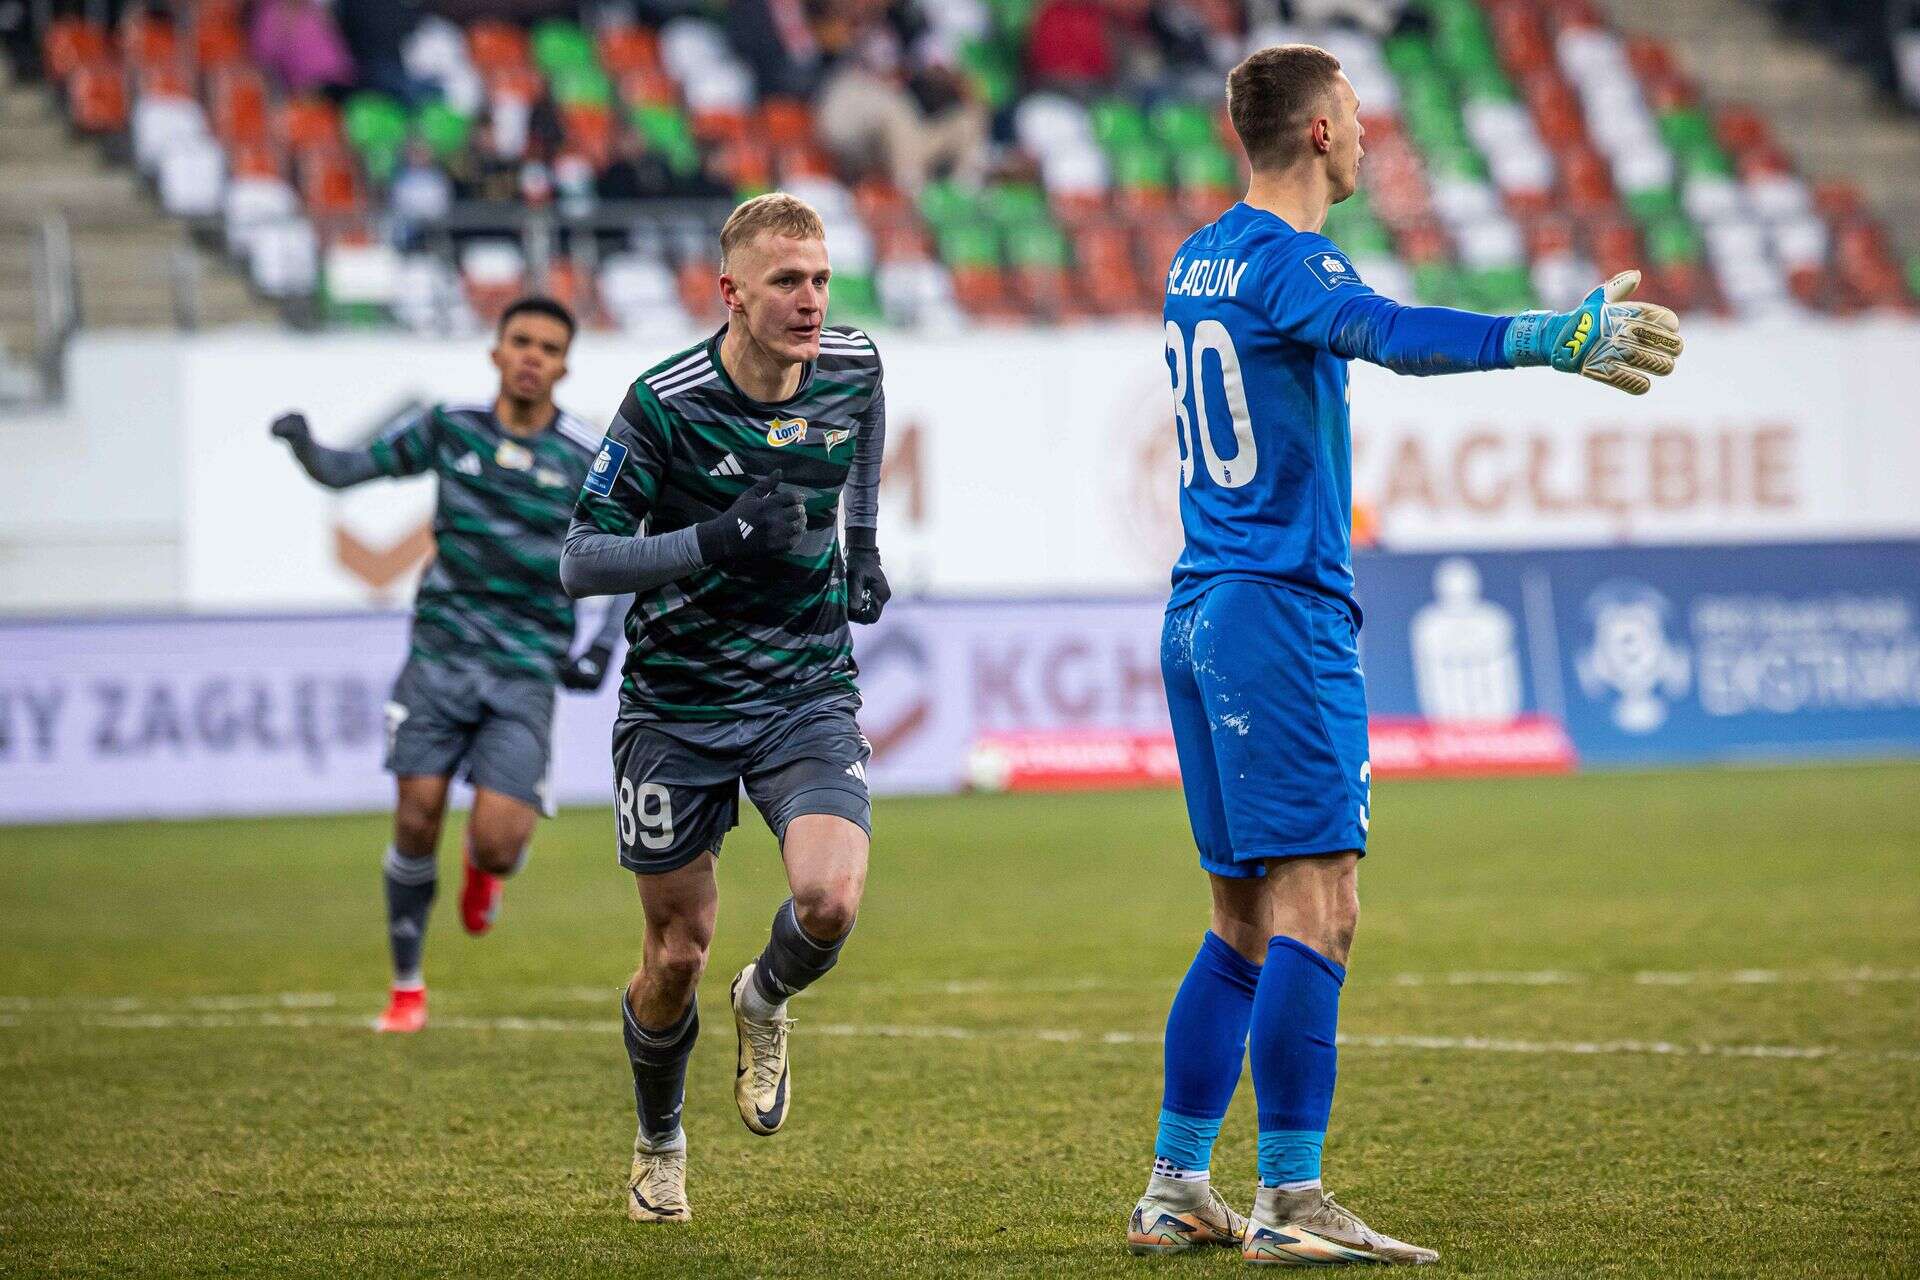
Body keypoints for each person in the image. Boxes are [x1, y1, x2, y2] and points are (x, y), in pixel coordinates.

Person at [1131, 44, 1683, 1265]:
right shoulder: (1289, 258)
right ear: (1320, 133)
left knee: (1240, 921)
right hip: (1279, 613)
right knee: (1319, 911)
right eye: (1358, 116)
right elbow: (1384, 329)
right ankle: (1290, 1196)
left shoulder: (1198, 255)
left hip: (1201, 606)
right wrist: (1551, 335)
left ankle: (1177, 1185)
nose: (1372, 135)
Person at [559, 192, 890, 1225]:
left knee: (830, 901)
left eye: (821, 278)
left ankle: (767, 999)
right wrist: (711, 539)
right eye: (787, 281)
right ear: (732, 294)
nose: (811, 301)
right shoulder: (663, 402)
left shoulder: (854, 361)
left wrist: (865, 547)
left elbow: (864, 434)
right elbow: (580, 558)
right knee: (674, 955)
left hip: (804, 684)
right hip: (679, 702)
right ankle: (660, 1139)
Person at [269, 297, 631, 1034]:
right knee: (416, 814)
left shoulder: (587, 457)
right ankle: (407, 988)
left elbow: (632, 552)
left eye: (548, 347)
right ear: (495, 353)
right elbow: (346, 471)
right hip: (439, 657)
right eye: (520, 341)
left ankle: (483, 873)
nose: (532, 356)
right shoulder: (449, 429)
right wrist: (305, 446)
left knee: (499, 841)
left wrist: (601, 643)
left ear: (564, 365)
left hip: (527, 668)